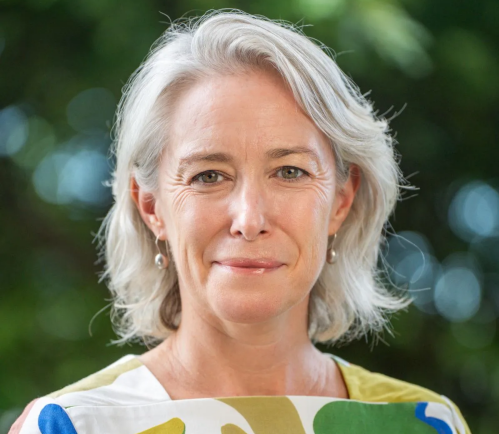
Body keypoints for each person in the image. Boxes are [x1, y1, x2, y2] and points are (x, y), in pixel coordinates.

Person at [11, 9, 471, 434]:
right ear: (151, 207)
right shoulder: (73, 425)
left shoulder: (428, 424)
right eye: (209, 176)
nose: (249, 220)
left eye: (289, 172)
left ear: (340, 200)